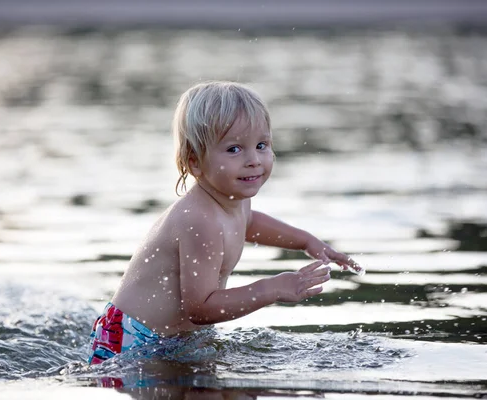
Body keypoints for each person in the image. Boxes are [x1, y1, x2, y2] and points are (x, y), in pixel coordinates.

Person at [88, 81, 362, 365]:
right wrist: (273, 289)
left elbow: (250, 222)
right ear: (194, 162)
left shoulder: (232, 198)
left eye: (261, 145)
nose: (253, 160)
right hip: (131, 343)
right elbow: (200, 309)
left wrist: (306, 241)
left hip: (170, 340)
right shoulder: (200, 219)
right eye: (234, 149)